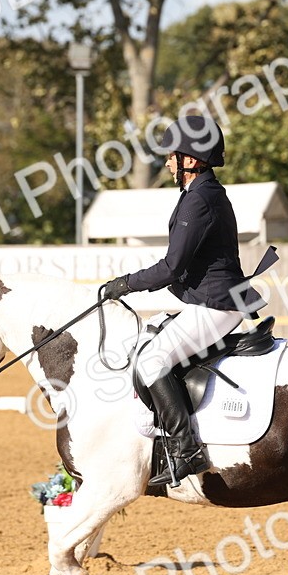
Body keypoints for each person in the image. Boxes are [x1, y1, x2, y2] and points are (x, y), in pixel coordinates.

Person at [101, 116, 264, 488]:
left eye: (173, 156)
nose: (168, 163)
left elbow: (172, 267)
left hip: (216, 305)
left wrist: (125, 284)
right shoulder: (202, 194)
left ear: (190, 161)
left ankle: (185, 447)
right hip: (208, 302)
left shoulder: (200, 200)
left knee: (153, 361)